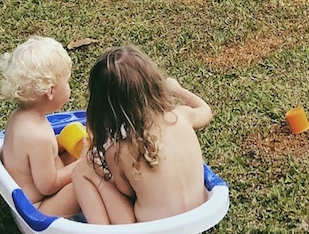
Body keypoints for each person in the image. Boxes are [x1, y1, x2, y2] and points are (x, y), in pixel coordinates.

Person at [0, 35, 134, 225]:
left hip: (37, 195)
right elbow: (48, 185)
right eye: (67, 82)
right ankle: (108, 225)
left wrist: (67, 140)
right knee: (90, 177)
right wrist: (82, 161)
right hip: (41, 208)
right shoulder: (38, 137)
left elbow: (39, 157)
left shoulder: (21, 119)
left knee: (84, 161)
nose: (69, 86)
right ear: (50, 91)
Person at [84, 45, 214, 222]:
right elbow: (205, 109)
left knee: (84, 169)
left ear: (105, 108)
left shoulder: (118, 152)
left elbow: (127, 193)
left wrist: (98, 165)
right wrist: (177, 89)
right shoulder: (183, 116)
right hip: (194, 222)